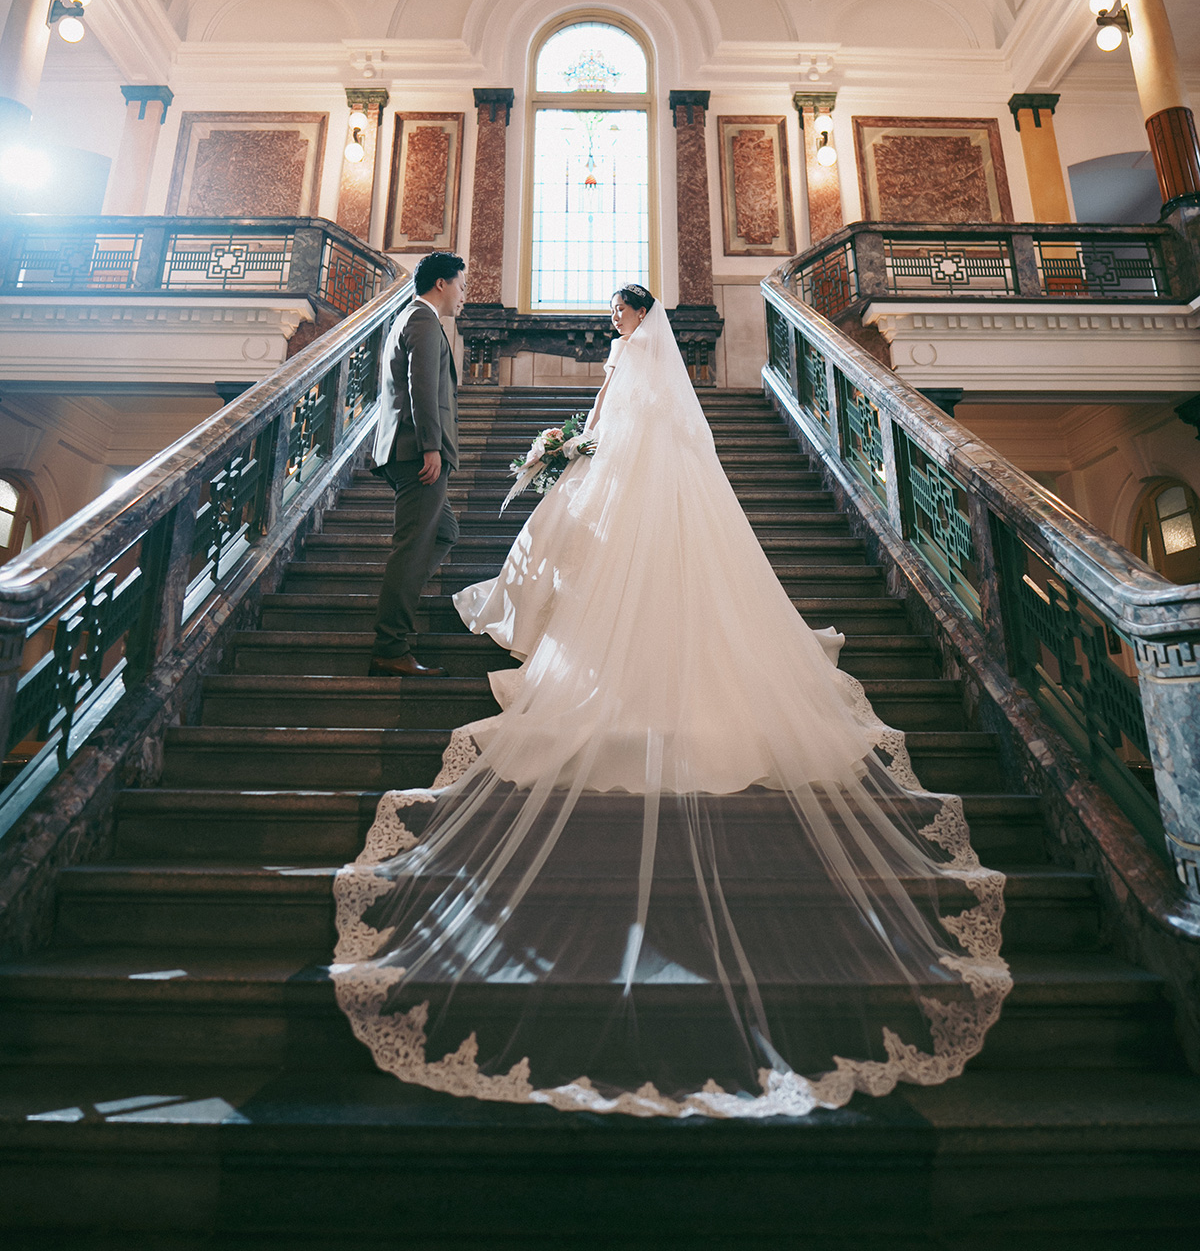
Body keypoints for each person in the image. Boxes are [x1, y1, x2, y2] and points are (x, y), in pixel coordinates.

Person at [333, 284, 1011, 1119]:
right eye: (618, 317)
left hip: (628, 472)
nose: (614, 325)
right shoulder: (644, 355)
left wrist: (577, 450)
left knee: (620, 571)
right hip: (648, 473)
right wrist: (579, 447)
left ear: (634, 317)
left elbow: (616, 415)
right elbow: (636, 417)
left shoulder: (630, 355)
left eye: (620, 314)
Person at [368, 251, 466, 678]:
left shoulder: (409, 319)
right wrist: (432, 447)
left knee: (445, 531)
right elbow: (421, 386)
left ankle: (400, 598)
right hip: (418, 453)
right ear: (441, 284)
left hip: (404, 449)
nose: (463, 295)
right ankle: (391, 645)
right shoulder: (423, 320)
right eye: (460, 285)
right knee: (410, 550)